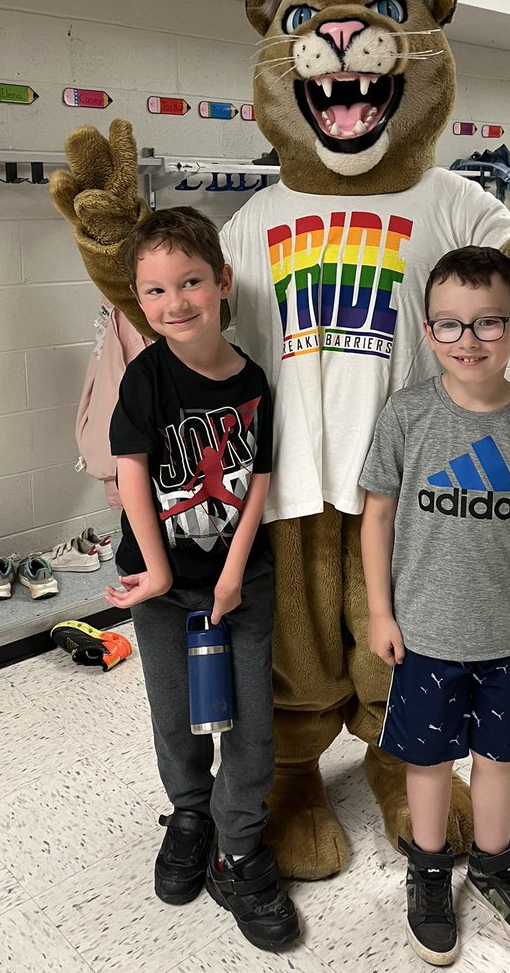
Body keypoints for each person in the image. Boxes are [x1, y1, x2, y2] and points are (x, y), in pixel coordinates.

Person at [359, 246, 510, 965]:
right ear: (428, 332)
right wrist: (380, 611)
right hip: (426, 634)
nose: (468, 341)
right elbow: (375, 518)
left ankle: (494, 865)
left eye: (487, 323)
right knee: (427, 764)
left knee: (498, 757)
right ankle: (429, 871)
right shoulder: (406, 418)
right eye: (450, 326)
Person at [106, 206, 299, 951]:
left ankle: (238, 846)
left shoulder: (252, 379)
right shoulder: (145, 378)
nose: (174, 303)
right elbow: (130, 476)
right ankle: (190, 813)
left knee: (250, 723)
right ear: (136, 300)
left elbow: (260, 481)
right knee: (176, 716)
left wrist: (234, 571)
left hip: (240, 582)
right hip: (161, 589)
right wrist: (156, 570)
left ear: (221, 283)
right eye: (153, 292)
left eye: (189, 282)